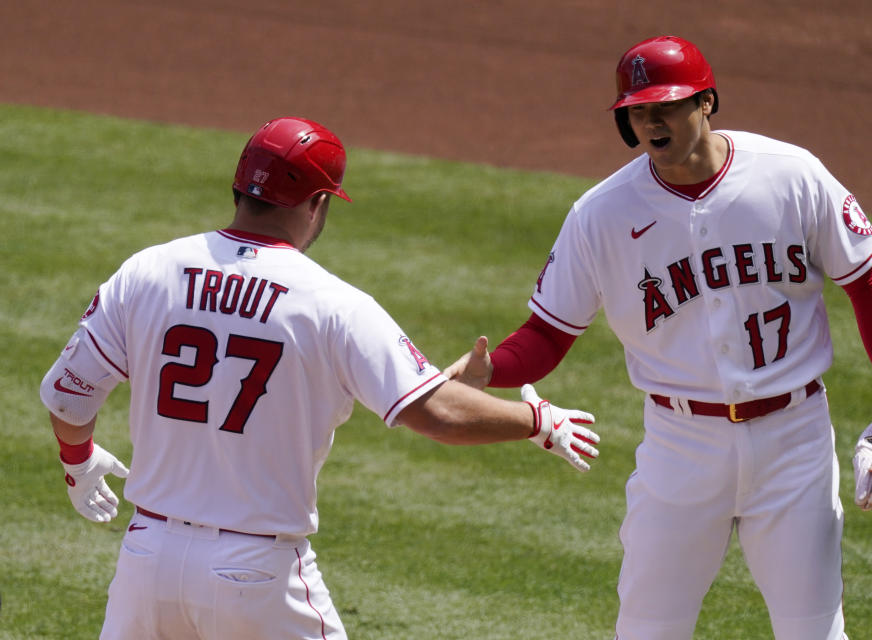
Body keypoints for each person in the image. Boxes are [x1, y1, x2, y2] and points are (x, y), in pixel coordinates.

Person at [39, 116, 599, 640]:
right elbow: (437, 413)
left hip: (147, 561)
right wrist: (537, 420)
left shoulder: (147, 270)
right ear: (317, 202)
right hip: (255, 577)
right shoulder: (333, 304)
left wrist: (79, 461)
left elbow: (69, 397)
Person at [444, 36, 872, 640]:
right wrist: (494, 370)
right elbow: (548, 332)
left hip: (793, 442)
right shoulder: (601, 215)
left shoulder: (791, 175)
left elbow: (869, 285)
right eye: (638, 111)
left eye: (666, 106)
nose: (652, 121)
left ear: (707, 103)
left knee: (814, 632)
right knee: (647, 631)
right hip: (680, 445)